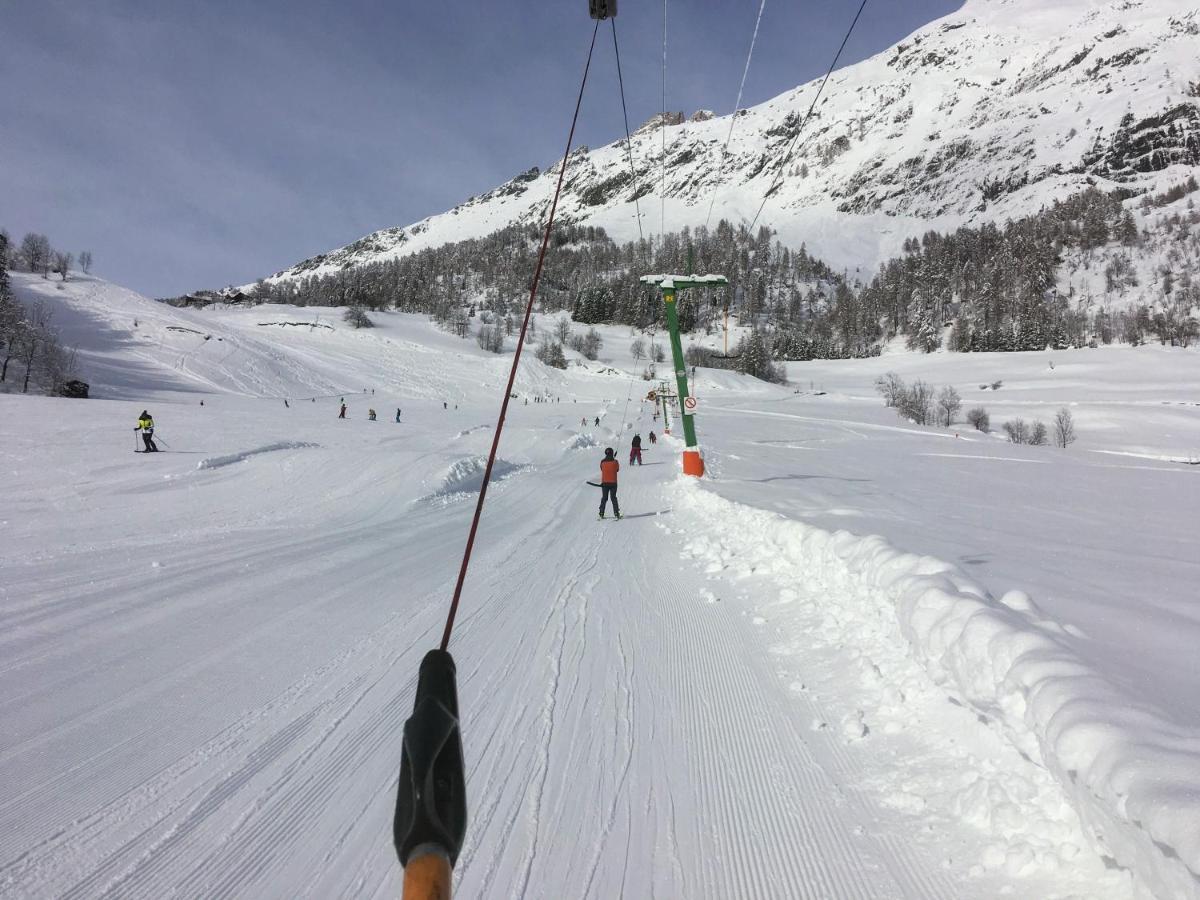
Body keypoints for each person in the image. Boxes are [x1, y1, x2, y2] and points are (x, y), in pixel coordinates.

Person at [598, 447, 621, 519]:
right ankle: (616, 513)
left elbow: (602, 468)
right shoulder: (615, 462)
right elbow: (617, 469)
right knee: (613, 498)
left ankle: (601, 512)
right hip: (613, 483)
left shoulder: (602, 462)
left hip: (604, 483)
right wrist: (613, 460)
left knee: (604, 498)